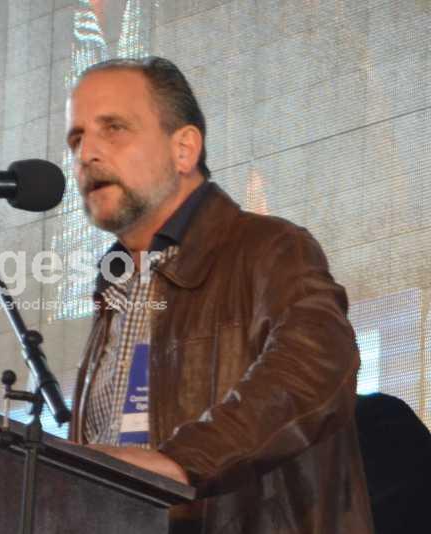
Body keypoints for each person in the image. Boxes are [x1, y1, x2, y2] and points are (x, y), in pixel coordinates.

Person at [65, 57, 374, 533]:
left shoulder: (269, 248)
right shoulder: (115, 288)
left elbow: (318, 361)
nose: (87, 153)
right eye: (77, 138)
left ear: (184, 149)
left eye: (114, 129)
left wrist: (183, 462)